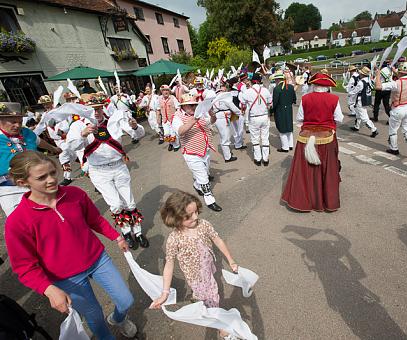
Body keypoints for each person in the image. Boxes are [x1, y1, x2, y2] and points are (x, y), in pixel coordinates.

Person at [5, 151, 137, 340]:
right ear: (22, 182)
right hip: (66, 278)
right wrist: (49, 289)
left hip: (98, 259)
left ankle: (118, 319)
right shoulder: (17, 221)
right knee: (95, 318)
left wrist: (116, 236)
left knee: (126, 300)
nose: (51, 180)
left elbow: (95, 220)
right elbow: (24, 267)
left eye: (52, 172)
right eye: (42, 177)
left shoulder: (75, 194)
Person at [150, 191, 238, 339]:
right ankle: (222, 328)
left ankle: (201, 300)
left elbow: (217, 240)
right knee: (212, 298)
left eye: (196, 211)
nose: (195, 217)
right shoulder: (174, 239)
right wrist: (165, 293)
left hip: (209, 268)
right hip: (195, 277)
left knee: (209, 293)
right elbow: (169, 263)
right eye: (189, 216)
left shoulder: (203, 225)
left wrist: (231, 260)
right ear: (175, 218)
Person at [66, 93, 149, 249]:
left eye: (98, 109)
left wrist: (135, 126)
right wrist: (82, 135)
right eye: (92, 110)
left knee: (129, 202)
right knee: (116, 204)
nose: (96, 113)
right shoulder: (78, 126)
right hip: (99, 171)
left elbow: (138, 134)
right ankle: (126, 232)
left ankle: (137, 232)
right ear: (84, 110)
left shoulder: (113, 121)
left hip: (119, 166)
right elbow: (71, 147)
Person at [281, 72, 343, 212]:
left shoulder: (306, 98)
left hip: (306, 138)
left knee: (304, 172)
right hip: (327, 138)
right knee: (327, 170)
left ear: (313, 85)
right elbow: (339, 118)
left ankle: (304, 201)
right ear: (327, 87)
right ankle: (326, 201)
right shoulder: (334, 99)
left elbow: (300, 119)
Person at [0, 102, 61, 216]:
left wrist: (54, 148)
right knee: (20, 220)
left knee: (49, 215)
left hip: (38, 184)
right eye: (13, 122)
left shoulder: (26, 132)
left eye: (19, 121)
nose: (18, 125)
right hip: (10, 189)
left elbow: (39, 142)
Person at [172, 93, 222, 212]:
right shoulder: (177, 116)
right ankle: (209, 199)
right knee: (204, 177)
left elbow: (210, 122)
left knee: (205, 171)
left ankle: (197, 185)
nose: (193, 107)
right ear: (182, 106)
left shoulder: (198, 113)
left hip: (205, 149)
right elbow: (180, 131)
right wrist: (193, 119)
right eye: (189, 105)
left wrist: (212, 115)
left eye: (194, 105)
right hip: (191, 153)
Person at [375, 62, 407, 156]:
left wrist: (378, 75)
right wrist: (396, 72)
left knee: (393, 130)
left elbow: (378, 87)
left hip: (398, 108)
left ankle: (394, 148)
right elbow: (404, 77)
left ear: (401, 72)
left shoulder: (396, 83)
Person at [240, 73, 272, 166]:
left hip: (254, 118)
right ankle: (265, 159)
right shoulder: (265, 90)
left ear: (251, 81)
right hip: (264, 116)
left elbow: (242, 103)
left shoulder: (248, 92)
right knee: (265, 137)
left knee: (255, 138)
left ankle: (258, 159)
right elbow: (270, 103)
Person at [211, 80, 241, 163]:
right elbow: (233, 107)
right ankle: (228, 156)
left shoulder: (214, 99)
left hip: (218, 118)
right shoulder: (225, 98)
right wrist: (240, 112)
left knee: (222, 136)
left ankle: (227, 153)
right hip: (223, 118)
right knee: (225, 137)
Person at [349, 66, 378, 138]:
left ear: (362, 74)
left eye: (360, 73)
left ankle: (374, 130)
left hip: (360, 100)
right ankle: (356, 126)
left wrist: (349, 92)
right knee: (358, 114)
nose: (359, 74)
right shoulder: (369, 80)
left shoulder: (361, 82)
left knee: (364, 117)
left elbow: (355, 92)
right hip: (366, 99)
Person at [272, 71, 296, 152]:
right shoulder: (291, 87)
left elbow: (275, 102)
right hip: (289, 109)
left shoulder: (277, 89)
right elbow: (294, 99)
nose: (275, 81)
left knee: (282, 128)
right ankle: (290, 145)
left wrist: (271, 110)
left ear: (278, 80)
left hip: (280, 110)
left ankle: (285, 147)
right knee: (289, 127)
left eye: (275, 80)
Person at [157, 84, 181, 151]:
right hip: (165, 120)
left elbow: (178, 108)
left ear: (169, 91)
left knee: (173, 133)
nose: (166, 92)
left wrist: (177, 117)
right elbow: (158, 109)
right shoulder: (159, 99)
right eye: (164, 90)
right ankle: (171, 143)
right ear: (161, 92)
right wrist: (158, 118)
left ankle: (176, 146)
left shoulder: (173, 98)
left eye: (167, 90)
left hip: (173, 119)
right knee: (167, 133)